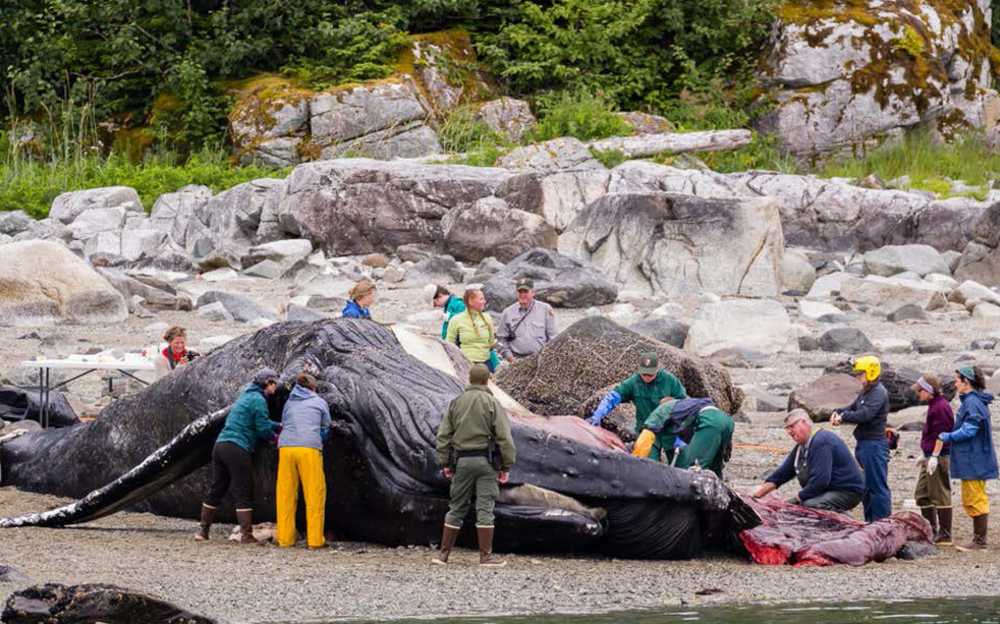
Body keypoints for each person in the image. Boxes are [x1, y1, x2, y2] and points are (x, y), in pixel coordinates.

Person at [433, 364, 516, 567]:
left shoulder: (456, 403)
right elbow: (505, 437)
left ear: (469, 379)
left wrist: (445, 463)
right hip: (486, 463)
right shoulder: (492, 403)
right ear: (487, 380)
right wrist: (506, 466)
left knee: (457, 507)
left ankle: (443, 556)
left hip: (461, 462)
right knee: (485, 507)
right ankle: (485, 557)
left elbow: (443, 436)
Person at [196, 368, 282, 543]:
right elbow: (262, 428)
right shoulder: (259, 400)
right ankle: (246, 534)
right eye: (275, 383)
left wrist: (278, 425)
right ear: (268, 383)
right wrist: (278, 438)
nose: (276, 388)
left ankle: (203, 531)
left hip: (220, 446)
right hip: (237, 447)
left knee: (217, 488)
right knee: (243, 489)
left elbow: (260, 421)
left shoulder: (246, 396)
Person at [752, 409, 865, 513]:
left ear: (804, 422)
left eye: (792, 426)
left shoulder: (821, 441)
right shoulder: (801, 447)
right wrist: (757, 494)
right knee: (803, 503)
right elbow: (782, 474)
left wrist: (796, 499)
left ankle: (846, 524)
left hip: (847, 491)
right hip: (828, 489)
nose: (789, 432)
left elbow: (820, 481)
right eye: (787, 428)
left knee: (809, 504)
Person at [937, 366, 998, 550]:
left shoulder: (972, 402)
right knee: (971, 497)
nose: (955, 384)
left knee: (975, 498)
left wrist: (947, 436)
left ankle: (980, 541)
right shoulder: (973, 401)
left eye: (957, 380)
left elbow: (970, 430)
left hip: (975, 459)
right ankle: (979, 538)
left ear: (966, 382)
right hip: (973, 458)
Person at [587, 352, 687, 460]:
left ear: (657, 369)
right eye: (644, 374)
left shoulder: (670, 380)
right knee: (645, 464)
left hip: (671, 430)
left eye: (650, 374)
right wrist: (598, 414)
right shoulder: (634, 382)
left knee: (682, 462)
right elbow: (614, 397)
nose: (646, 377)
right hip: (647, 431)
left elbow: (685, 405)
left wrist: (683, 431)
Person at [831, 355, 890, 522]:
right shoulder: (867, 391)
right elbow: (853, 406)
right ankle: (870, 522)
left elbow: (865, 414)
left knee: (877, 487)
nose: (857, 377)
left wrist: (844, 417)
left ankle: (882, 525)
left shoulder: (878, 393)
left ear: (870, 373)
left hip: (874, 445)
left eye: (860, 374)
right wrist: (839, 411)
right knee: (867, 487)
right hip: (864, 444)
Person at [275, 373, 331, 550]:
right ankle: (315, 541)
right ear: (313, 387)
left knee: (285, 494)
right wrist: (320, 438)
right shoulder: (320, 402)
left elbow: (284, 423)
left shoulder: (289, 402)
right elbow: (326, 426)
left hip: (286, 448)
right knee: (314, 493)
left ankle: (285, 539)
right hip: (308, 449)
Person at [634, 397, 734, 478]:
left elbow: (647, 433)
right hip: (727, 421)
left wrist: (636, 464)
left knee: (693, 471)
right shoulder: (686, 412)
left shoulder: (664, 408)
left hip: (710, 420)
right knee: (713, 468)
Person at [911, 374, 954, 545]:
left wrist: (935, 456)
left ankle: (945, 534)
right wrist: (926, 454)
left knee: (940, 494)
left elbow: (942, 435)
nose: (918, 394)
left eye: (920, 390)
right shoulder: (934, 405)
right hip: (930, 455)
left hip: (939, 456)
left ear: (929, 390)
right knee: (922, 494)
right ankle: (931, 530)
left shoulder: (940, 408)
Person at [496, 277, 557, 362]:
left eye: (526, 291)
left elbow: (553, 337)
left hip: (539, 359)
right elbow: (501, 339)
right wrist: (509, 357)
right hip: (515, 360)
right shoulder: (507, 312)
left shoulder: (546, 309)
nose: (522, 295)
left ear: (533, 293)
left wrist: (547, 358)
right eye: (520, 292)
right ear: (516, 293)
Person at [445, 288, 502, 372]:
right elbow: (449, 344)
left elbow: (491, 343)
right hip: (466, 363)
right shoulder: (456, 320)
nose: (484, 301)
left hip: (486, 362)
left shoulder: (487, 317)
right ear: (471, 301)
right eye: (481, 299)